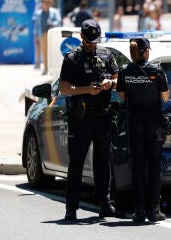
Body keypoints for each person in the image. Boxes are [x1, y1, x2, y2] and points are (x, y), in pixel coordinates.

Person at [59, 19, 119, 221]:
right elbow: (64, 88)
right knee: (76, 162)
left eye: (95, 40)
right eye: (89, 40)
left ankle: (104, 203)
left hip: (103, 114)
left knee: (103, 161)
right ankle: (71, 208)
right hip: (81, 116)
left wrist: (110, 82)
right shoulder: (72, 58)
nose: (93, 44)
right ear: (82, 37)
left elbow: (119, 79)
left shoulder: (106, 55)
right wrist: (87, 90)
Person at [117, 38, 170, 222]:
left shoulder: (124, 71)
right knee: (154, 165)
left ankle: (139, 211)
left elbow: (122, 95)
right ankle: (154, 210)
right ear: (146, 51)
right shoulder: (156, 70)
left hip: (134, 121)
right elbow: (165, 97)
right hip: (153, 121)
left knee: (138, 166)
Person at [33, 0, 62, 75]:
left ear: (50, 4)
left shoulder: (54, 11)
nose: (45, 5)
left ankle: (52, 69)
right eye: (44, 3)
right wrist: (35, 35)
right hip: (42, 34)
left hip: (52, 34)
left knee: (52, 52)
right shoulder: (38, 13)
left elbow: (59, 21)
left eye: (47, 3)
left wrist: (53, 23)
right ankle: (46, 68)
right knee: (44, 52)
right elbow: (37, 25)